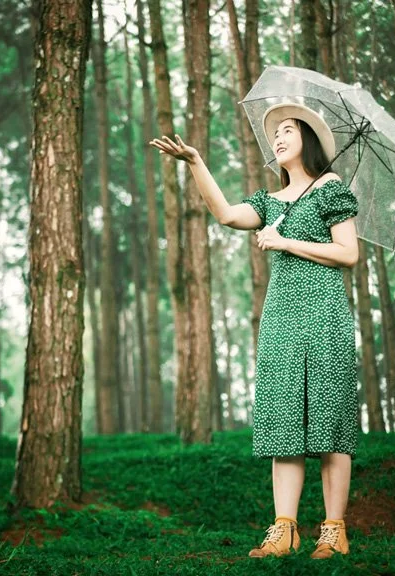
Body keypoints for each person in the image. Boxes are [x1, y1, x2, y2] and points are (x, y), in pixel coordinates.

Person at [149, 102, 359, 560]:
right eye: (274, 134)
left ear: (308, 138)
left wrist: (284, 242)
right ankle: (284, 529)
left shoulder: (330, 188)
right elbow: (225, 214)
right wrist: (196, 162)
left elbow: (348, 254)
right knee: (285, 424)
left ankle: (333, 530)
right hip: (281, 319)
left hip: (324, 316)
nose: (278, 138)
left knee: (329, 424)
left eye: (287, 130)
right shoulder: (270, 202)